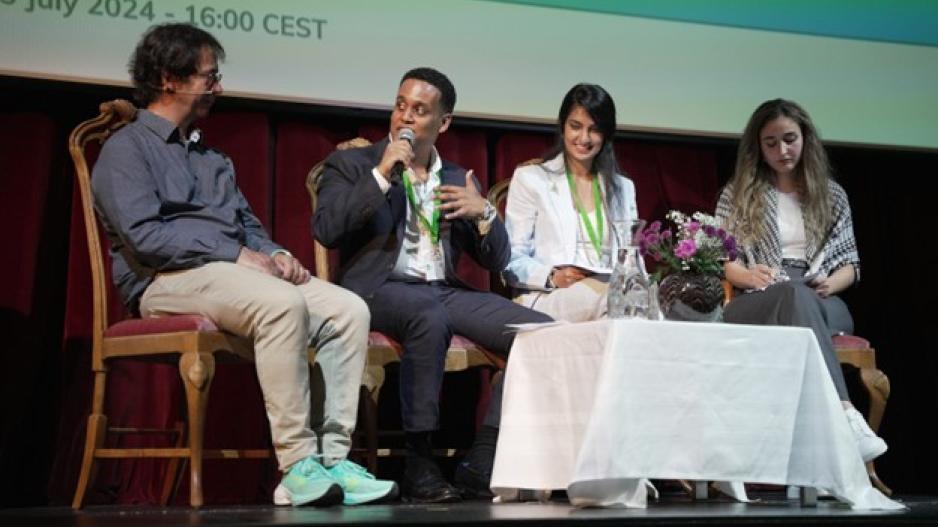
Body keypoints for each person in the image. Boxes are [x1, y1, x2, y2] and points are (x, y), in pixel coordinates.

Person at [91, 23, 397, 507]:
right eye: (210, 77)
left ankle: (332, 458)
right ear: (171, 78)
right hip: (163, 280)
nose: (219, 87)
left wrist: (273, 254)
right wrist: (235, 254)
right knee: (279, 303)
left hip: (232, 274)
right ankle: (296, 465)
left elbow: (248, 227)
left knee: (348, 310)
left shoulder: (213, 157)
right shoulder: (127, 149)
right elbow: (146, 238)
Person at [314, 67, 553, 502]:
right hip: (379, 288)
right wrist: (382, 175)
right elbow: (327, 228)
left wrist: (484, 214)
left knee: (542, 334)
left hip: (445, 288)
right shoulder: (354, 164)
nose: (405, 118)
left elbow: (497, 261)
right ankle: (419, 461)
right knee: (429, 314)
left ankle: (482, 459)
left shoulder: (456, 178)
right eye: (400, 105)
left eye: (420, 110)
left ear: (442, 123)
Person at [716, 98, 887, 463]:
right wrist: (747, 274)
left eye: (790, 139)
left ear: (805, 138)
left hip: (821, 296)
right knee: (793, 295)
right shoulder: (739, 193)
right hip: (759, 295)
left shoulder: (831, 194)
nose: (782, 150)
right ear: (758, 147)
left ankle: (820, 437)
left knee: (802, 297)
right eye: (771, 142)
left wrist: (829, 284)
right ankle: (844, 416)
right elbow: (721, 258)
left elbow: (851, 265)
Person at [503, 83, 638, 321]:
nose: (584, 138)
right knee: (614, 300)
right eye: (576, 126)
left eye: (594, 129)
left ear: (606, 134)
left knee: (651, 302)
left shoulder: (623, 188)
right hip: (549, 294)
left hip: (608, 289)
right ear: (563, 126)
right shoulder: (532, 178)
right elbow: (510, 258)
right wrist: (551, 276)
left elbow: (632, 257)